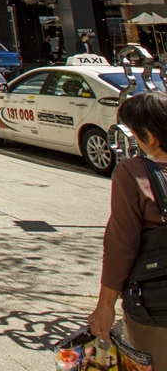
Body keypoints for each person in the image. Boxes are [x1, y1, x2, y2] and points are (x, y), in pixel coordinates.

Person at [92, 92, 167, 365]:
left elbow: (121, 245)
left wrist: (104, 307)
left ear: (150, 136)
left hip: (157, 309)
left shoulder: (135, 172)